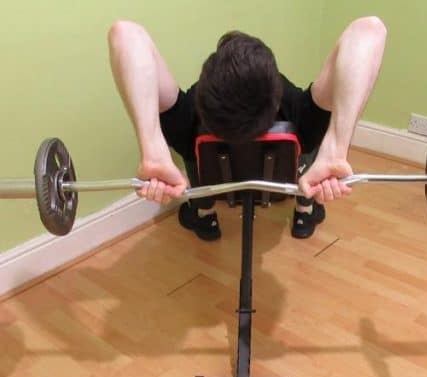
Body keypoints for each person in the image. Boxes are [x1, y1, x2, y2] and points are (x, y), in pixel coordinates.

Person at [107, 17, 387, 240]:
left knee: (192, 146)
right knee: (314, 139)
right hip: (285, 185)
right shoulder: (296, 110)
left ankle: (204, 215)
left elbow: (125, 34)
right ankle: (305, 210)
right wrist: (335, 149)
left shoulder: (189, 112)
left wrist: (152, 147)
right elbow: (370, 30)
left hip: (213, 186)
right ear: (275, 91)